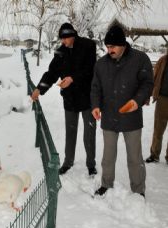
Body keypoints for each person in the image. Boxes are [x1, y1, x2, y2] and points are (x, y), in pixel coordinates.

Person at [91, 25, 153, 197]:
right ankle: (106, 184)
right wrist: (96, 105)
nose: (109, 50)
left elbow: (147, 83)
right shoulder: (101, 64)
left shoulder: (140, 59)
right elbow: (95, 88)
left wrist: (137, 100)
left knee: (135, 158)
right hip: (109, 117)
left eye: (113, 47)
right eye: (107, 47)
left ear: (123, 44)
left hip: (131, 117)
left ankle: (139, 190)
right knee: (107, 157)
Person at [31, 22, 97, 176]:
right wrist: (39, 88)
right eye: (61, 39)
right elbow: (52, 73)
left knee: (89, 133)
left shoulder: (88, 46)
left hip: (88, 98)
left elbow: (90, 70)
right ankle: (68, 162)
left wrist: (72, 78)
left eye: (65, 39)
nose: (63, 42)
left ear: (72, 36)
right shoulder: (61, 52)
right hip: (70, 99)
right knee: (70, 132)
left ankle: (91, 164)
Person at [145, 49, 168, 165]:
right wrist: (149, 94)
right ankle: (154, 155)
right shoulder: (162, 60)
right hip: (162, 99)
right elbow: (154, 77)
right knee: (158, 129)